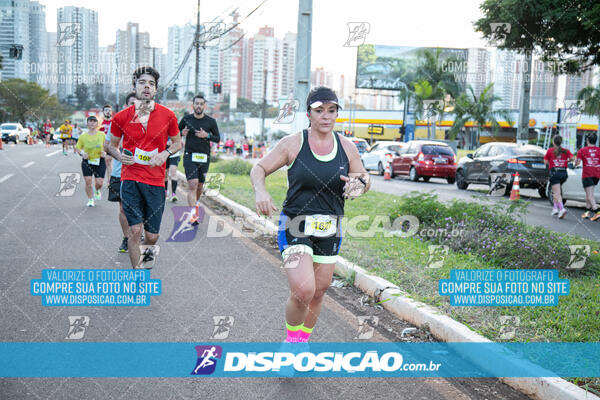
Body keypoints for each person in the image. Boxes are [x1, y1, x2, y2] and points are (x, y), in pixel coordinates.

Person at [250, 86, 371, 343]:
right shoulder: (293, 144)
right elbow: (259, 168)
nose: (326, 116)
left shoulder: (347, 147)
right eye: (319, 111)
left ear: (337, 113)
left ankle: (301, 342)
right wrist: (261, 192)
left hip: (330, 227)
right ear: (309, 114)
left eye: (331, 110)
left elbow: (362, 177)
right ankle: (291, 342)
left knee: (318, 292)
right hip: (295, 224)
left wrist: (359, 185)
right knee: (304, 290)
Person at [107, 66, 182, 269]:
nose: (147, 87)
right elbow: (109, 145)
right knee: (135, 231)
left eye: (151, 84)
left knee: (152, 236)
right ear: (135, 86)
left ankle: (145, 263)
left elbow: (177, 143)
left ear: (156, 90)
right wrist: (120, 156)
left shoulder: (168, 115)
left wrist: (166, 153)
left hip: (156, 181)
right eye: (142, 83)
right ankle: (138, 275)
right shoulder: (121, 117)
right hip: (130, 179)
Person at [179, 94, 220, 224]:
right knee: (193, 184)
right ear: (193, 105)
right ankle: (193, 215)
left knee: (200, 186)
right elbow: (173, 132)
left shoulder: (211, 121)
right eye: (196, 103)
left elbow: (217, 138)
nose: (198, 106)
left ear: (204, 106)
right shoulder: (186, 119)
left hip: (204, 157)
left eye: (201, 104)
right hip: (189, 155)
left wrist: (206, 135)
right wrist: (181, 133)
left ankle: (195, 204)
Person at [105, 93, 136, 252]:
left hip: (141, 173)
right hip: (120, 172)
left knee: (139, 208)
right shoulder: (117, 122)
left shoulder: (149, 123)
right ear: (126, 105)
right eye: (131, 103)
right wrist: (120, 155)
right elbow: (107, 145)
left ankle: (137, 234)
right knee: (123, 208)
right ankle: (126, 238)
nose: (135, 105)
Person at [75, 116, 106, 207]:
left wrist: (105, 152)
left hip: (99, 161)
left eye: (94, 121)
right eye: (90, 121)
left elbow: (107, 146)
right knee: (88, 181)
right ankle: (90, 199)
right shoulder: (83, 136)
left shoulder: (102, 135)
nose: (92, 123)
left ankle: (97, 190)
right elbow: (77, 148)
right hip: (87, 161)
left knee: (99, 183)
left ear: (97, 124)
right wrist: (82, 153)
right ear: (87, 123)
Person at [544, 135, 575, 219]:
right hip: (563, 173)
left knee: (556, 192)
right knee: (556, 191)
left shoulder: (550, 151)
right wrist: (565, 160)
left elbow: (545, 162)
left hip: (555, 173)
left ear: (553, 142)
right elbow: (573, 159)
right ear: (561, 142)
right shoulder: (566, 151)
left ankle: (561, 209)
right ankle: (555, 208)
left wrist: (552, 161)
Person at [576, 133, 600, 220]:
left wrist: (574, 164)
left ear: (587, 140)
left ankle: (597, 211)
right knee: (588, 194)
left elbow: (577, 162)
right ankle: (586, 213)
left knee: (590, 196)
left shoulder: (582, 150)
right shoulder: (599, 150)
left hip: (587, 174)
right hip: (597, 175)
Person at [165, 133, 181, 202]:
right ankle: (165, 191)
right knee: (165, 173)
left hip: (174, 153)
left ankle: (174, 194)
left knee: (173, 172)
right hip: (164, 152)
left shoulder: (176, 126)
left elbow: (180, 139)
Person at [100, 104, 114, 181]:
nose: (108, 112)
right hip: (100, 146)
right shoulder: (100, 123)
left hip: (110, 146)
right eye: (106, 110)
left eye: (109, 110)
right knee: (101, 164)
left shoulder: (114, 121)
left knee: (108, 162)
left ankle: (109, 181)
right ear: (103, 112)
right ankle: (99, 180)